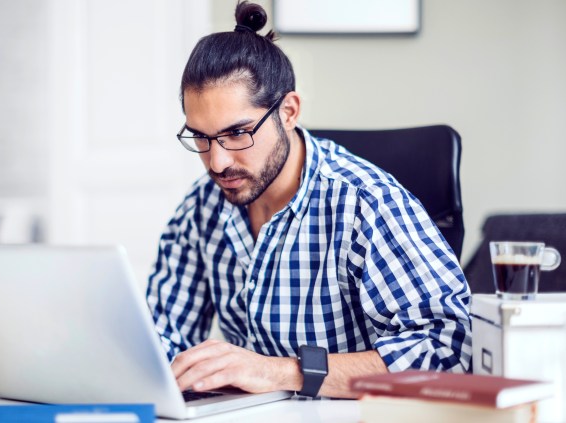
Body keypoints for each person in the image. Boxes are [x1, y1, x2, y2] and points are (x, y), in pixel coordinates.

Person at [146, 1, 471, 399]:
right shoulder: (202, 206)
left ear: (288, 111)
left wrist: (282, 372)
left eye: (237, 133)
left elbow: (446, 350)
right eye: (201, 137)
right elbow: (160, 336)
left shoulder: (365, 203)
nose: (217, 161)